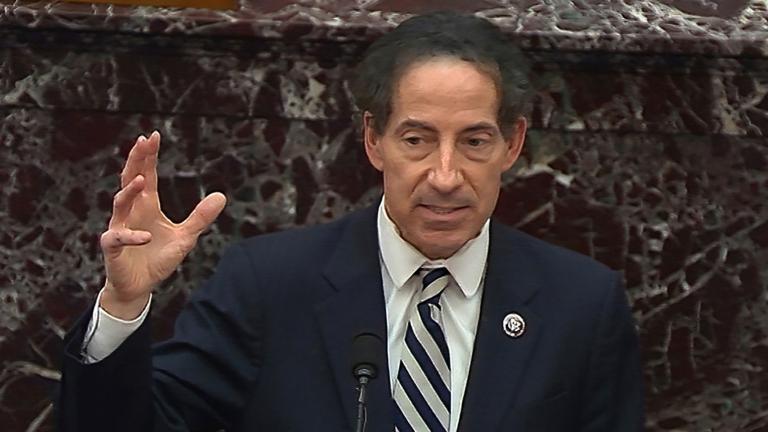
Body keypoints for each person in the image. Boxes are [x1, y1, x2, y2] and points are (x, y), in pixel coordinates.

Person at [57, 11, 643, 432]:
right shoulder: (269, 286)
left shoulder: (581, 305)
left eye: (474, 141)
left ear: (512, 144)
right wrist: (122, 307)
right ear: (374, 141)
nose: (444, 175)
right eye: (416, 139)